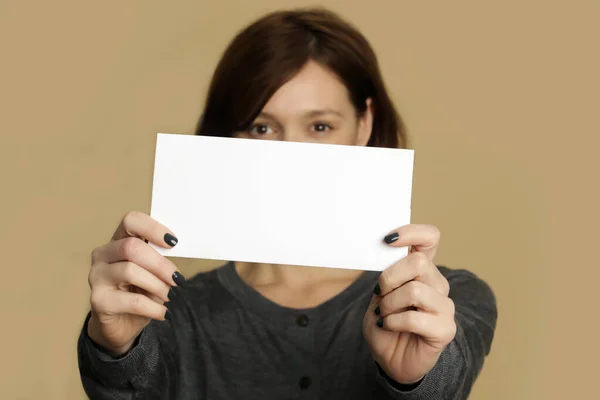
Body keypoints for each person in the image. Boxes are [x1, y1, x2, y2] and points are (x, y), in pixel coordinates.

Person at [78, 7, 497, 400]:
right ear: (228, 138)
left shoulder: (450, 300)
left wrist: (414, 378)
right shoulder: (169, 311)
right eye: (262, 127)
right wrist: (115, 347)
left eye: (320, 126)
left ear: (364, 124)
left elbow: (447, 383)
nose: (292, 154)